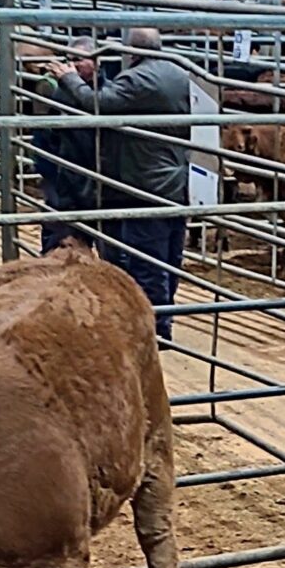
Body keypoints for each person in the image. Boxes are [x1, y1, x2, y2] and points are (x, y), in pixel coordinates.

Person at [48, 26, 192, 339]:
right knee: (168, 255)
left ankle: (155, 329)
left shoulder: (135, 79)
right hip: (173, 179)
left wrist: (67, 78)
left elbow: (97, 104)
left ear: (130, 52)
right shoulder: (179, 72)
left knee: (146, 260)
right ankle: (163, 320)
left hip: (143, 183)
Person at [31, 39, 102, 253]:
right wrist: (53, 178)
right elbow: (43, 140)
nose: (73, 66)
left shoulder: (107, 93)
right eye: (69, 60)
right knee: (59, 243)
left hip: (99, 184)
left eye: (78, 60)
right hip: (65, 182)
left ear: (96, 62)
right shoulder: (55, 91)